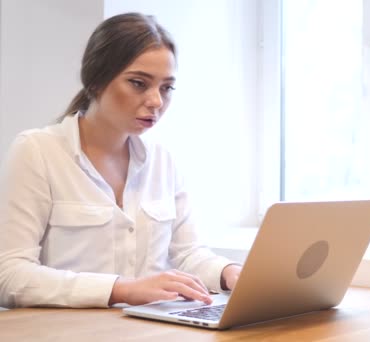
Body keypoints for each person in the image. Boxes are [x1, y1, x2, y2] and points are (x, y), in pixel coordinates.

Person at [0, 12, 241, 308]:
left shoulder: (162, 160)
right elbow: (10, 275)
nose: (156, 101)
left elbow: (188, 254)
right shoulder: (38, 150)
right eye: (139, 83)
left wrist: (231, 273)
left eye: (166, 88)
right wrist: (120, 289)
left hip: (149, 331)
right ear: (95, 81)